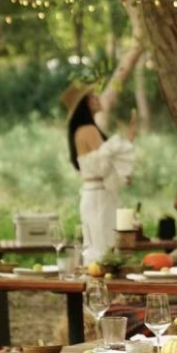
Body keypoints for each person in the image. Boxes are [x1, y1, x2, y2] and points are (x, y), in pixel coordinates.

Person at [60, 84, 137, 265]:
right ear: (84, 104)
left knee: (98, 243)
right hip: (99, 197)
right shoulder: (88, 130)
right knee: (102, 246)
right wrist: (130, 136)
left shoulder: (83, 129)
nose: (97, 99)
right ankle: (100, 279)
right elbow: (105, 164)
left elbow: (107, 160)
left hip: (96, 194)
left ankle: (99, 277)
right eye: (92, 97)